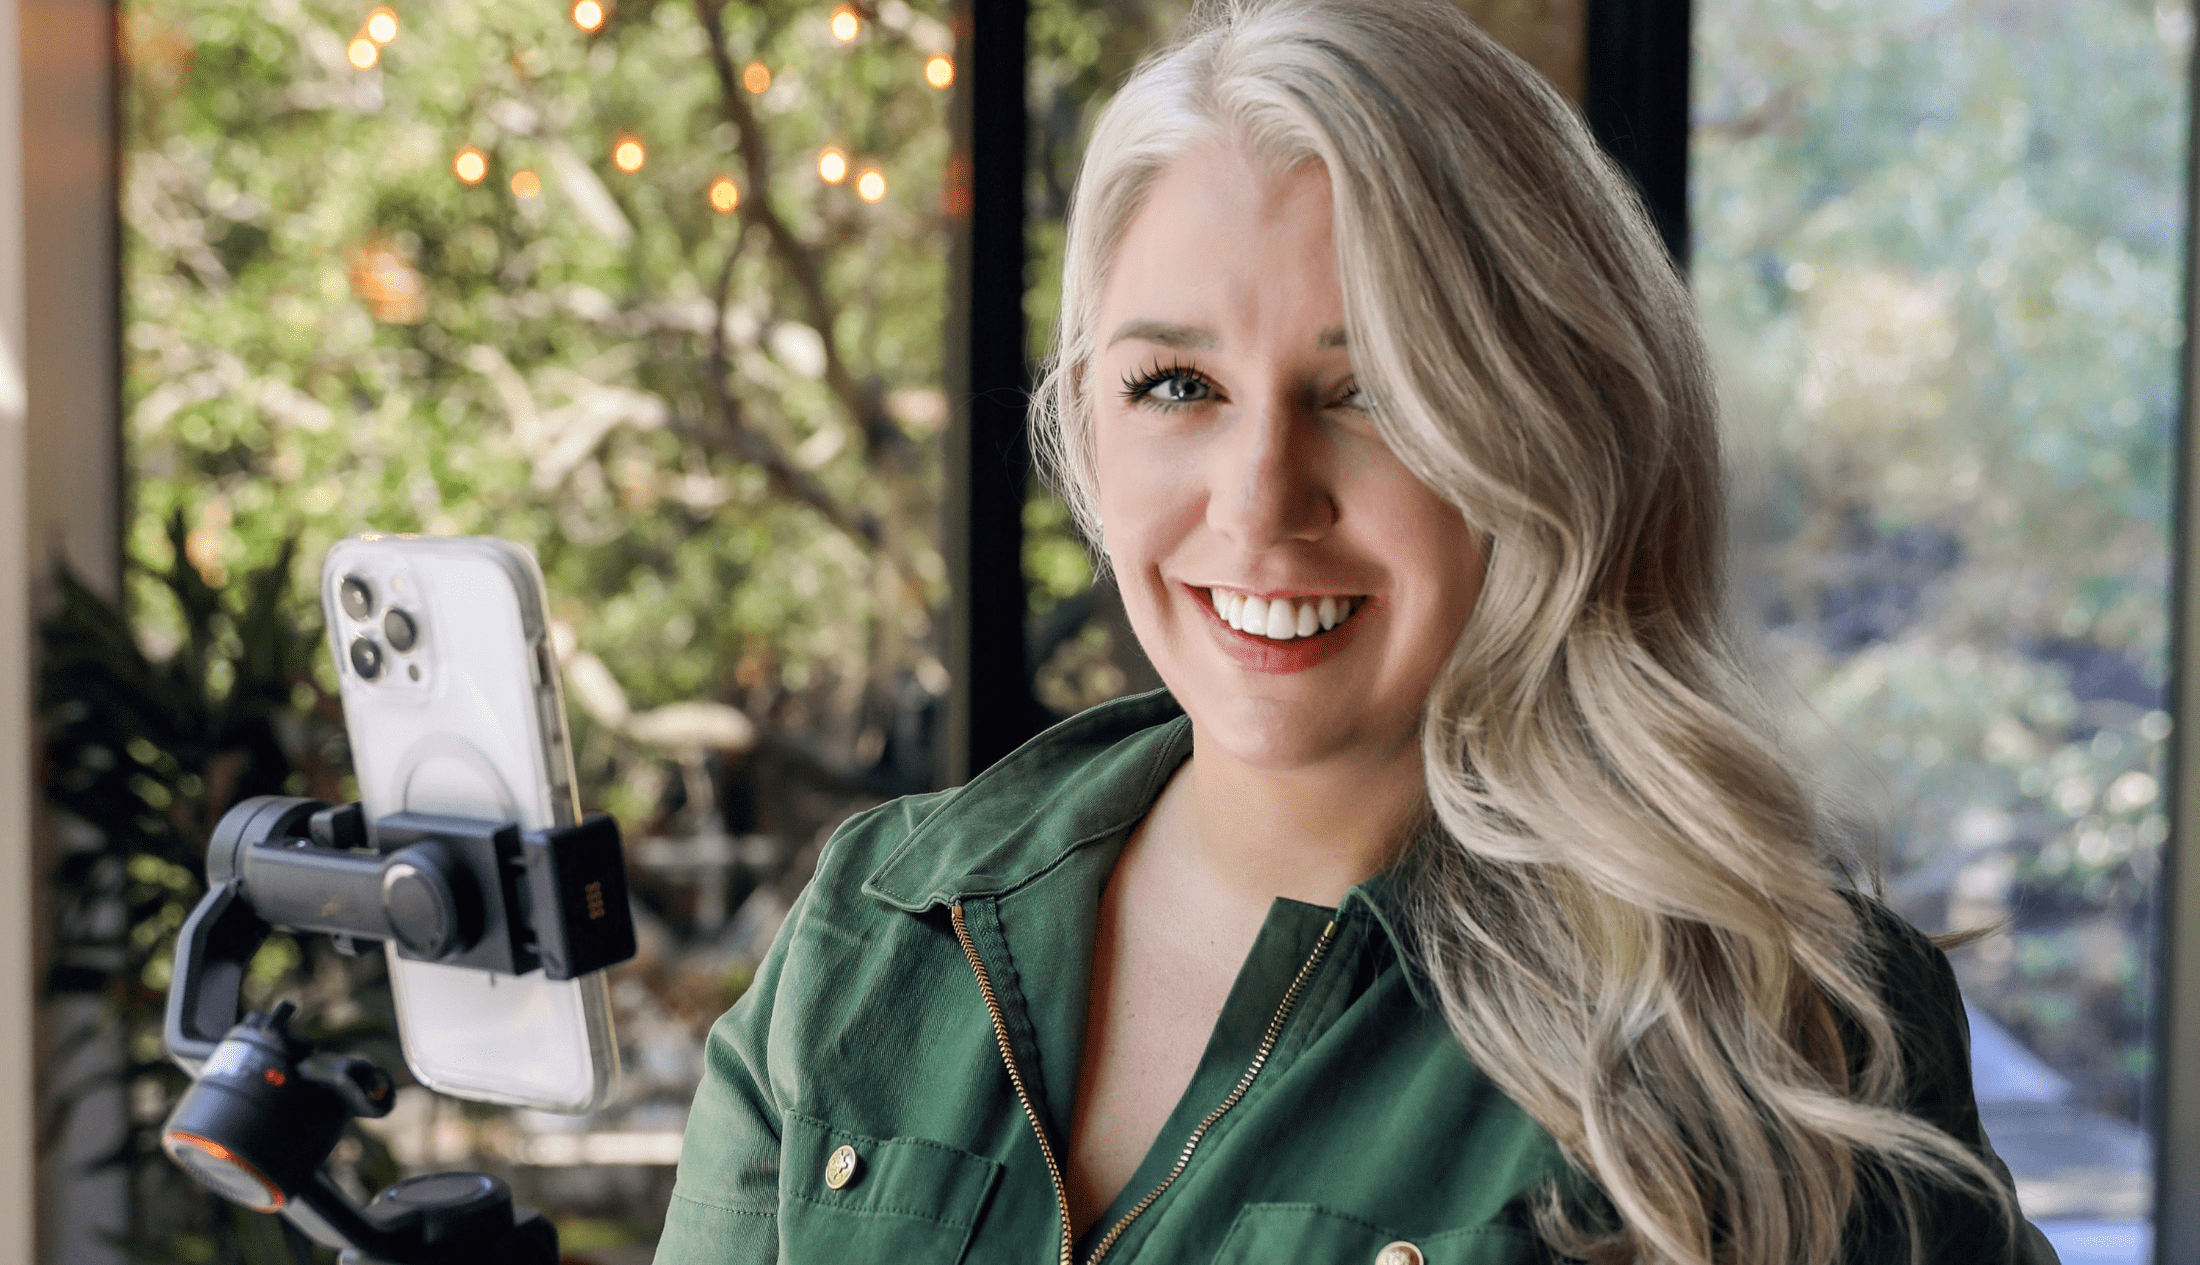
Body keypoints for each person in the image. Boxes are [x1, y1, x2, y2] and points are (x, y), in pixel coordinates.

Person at [653, 1, 2060, 1262]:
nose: (1262, 503)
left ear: (1551, 434)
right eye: (1176, 385)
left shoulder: (1771, 1039)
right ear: (1085, 416)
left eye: (1372, 389)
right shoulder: (877, 928)